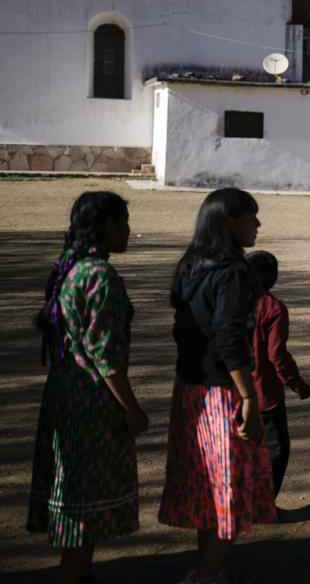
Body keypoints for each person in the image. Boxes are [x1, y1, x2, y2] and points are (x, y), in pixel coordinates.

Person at [28, 191, 148, 584]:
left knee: (79, 488)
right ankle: (72, 575)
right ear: (108, 225)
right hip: (91, 402)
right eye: (124, 221)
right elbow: (106, 356)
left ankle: (78, 572)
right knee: (84, 495)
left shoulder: (70, 267)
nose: (129, 230)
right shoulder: (99, 276)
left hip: (65, 393)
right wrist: (130, 408)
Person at [159, 188, 276, 584]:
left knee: (208, 490)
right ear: (229, 221)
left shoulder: (192, 264)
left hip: (190, 391)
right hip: (222, 395)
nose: (257, 225)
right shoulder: (234, 272)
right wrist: (248, 398)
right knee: (232, 491)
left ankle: (210, 567)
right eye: (251, 217)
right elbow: (229, 339)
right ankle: (206, 575)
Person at [246, 250, 310, 498]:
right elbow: (277, 356)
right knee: (276, 449)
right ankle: (263, 504)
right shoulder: (273, 308)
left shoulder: (229, 302)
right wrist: (298, 385)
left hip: (230, 391)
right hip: (265, 395)